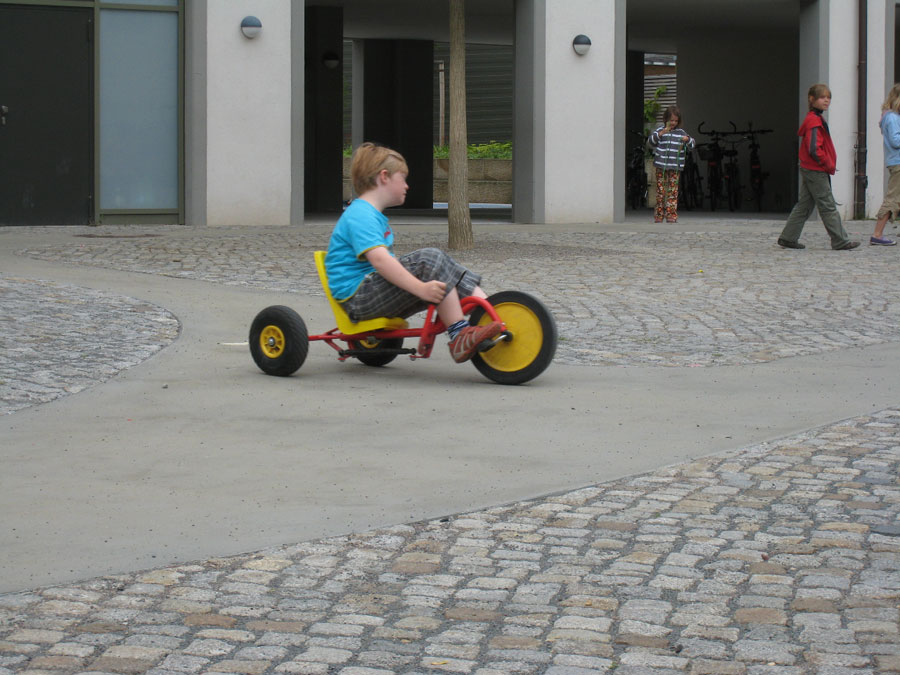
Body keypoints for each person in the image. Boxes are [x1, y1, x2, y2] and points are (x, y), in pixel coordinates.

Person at [325, 142, 503, 364]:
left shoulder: (371, 215)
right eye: (403, 178)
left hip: (369, 292)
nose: (407, 186)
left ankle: (495, 313)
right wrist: (421, 288)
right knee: (429, 259)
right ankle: (459, 334)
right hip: (358, 299)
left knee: (445, 267)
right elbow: (380, 261)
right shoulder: (361, 215)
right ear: (384, 177)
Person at [777, 84, 860, 250]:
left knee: (804, 205)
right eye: (822, 97)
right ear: (812, 99)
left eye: (828, 97)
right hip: (816, 169)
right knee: (827, 205)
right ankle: (840, 240)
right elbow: (814, 148)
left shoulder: (814, 119)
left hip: (811, 167)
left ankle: (788, 237)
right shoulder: (814, 121)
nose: (826, 100)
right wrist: (826, 163)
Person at [648, 105, 695, 223]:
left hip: (675, 167)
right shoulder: (660, 130)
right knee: (660, 191)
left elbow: (692, 145)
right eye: (671, 120)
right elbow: (650, 142)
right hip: (661, 166)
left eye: (675, 121)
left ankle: (671, 215)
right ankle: (659, 215)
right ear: (665, 119)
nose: (673, 123)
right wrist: (661, 133)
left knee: (673, 191)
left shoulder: (681, 133)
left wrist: (688, 140)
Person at [869, 83, 900, 246]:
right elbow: (895, 141)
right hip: (898, 162)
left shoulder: (892, 117)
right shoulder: (893, 118)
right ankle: (877, 234)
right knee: (892, 198)